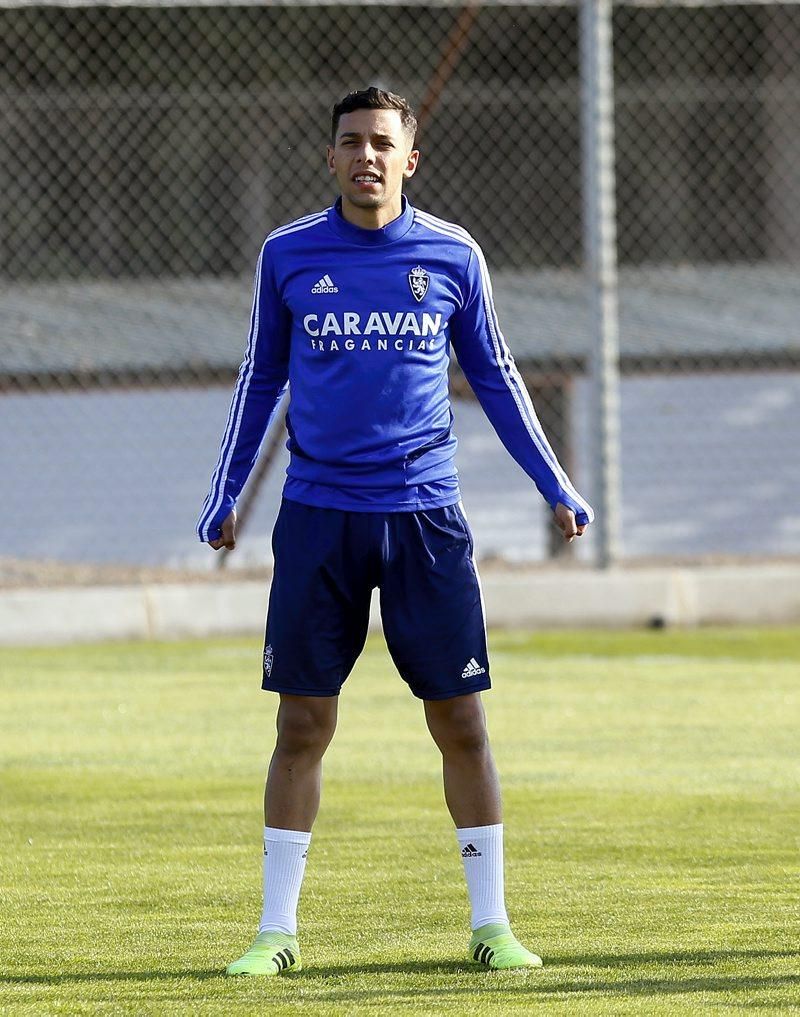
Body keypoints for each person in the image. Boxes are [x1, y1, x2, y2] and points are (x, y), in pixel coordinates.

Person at [197, 86, 593, 976]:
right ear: (330, 158)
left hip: (424, 516)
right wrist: (225, 495)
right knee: (302, 723)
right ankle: (275, 931)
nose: (366, 155)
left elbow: (498, 379)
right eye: (351, 142)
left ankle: (491, 927)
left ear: (410, 159)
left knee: (460, 718)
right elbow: (259, 379)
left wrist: (555, 484)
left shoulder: (453, 255)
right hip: (318, 519)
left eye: (383, 142)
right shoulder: (289, 255)